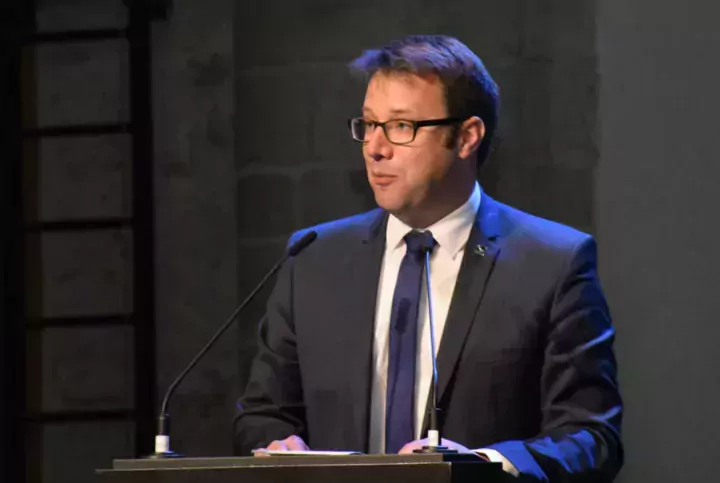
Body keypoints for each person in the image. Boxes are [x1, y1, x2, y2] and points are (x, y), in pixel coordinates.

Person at [234, 35, 623, 481]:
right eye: (368, 124)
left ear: (467, 137)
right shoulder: (313, 257)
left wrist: (483, 466)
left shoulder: (552, 262)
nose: (375, 148)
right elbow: (262, 415)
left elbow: (591, 438)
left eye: (401, 126)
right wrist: (278, 443)